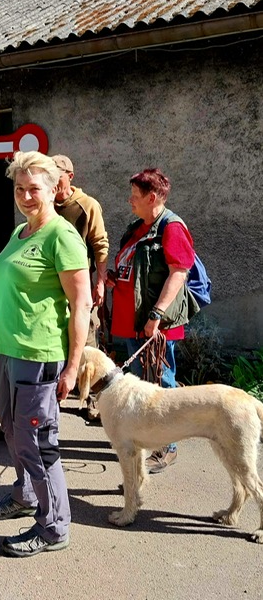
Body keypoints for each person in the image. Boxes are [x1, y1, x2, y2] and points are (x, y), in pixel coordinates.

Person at [0, 150, 92, 557]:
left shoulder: (61, 236)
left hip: (41, 355)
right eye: (19, 189)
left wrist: (73, 365)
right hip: (9, 352)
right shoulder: (21, 232)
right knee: (12, 432)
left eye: (34, 189)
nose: (26, 196)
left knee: (38, 441)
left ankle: (54, 527)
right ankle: (25, 495)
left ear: (52, 190)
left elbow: (81, 304)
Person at [107, 168, 196, 474]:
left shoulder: (171, 227)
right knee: (141, 385)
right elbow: (134, 268)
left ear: (152, 197)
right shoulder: (137, 227)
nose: (130, 200)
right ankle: (145, 438)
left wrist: (157, 313)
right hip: (132, 322)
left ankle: (166, 446)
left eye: (135, 195)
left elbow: (179, 273)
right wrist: (114, 277)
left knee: (161, 384)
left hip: (154, 324)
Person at [52, 154, 109, 420]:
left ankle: (92, 400)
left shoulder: (87, 206)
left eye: (58, 175)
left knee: (87, 344)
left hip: (80, 286)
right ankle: (56, 394)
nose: (53, 181)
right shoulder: (45, 204)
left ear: (70, 176)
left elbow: (100, 245)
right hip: (52, 288)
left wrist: (100, 282)